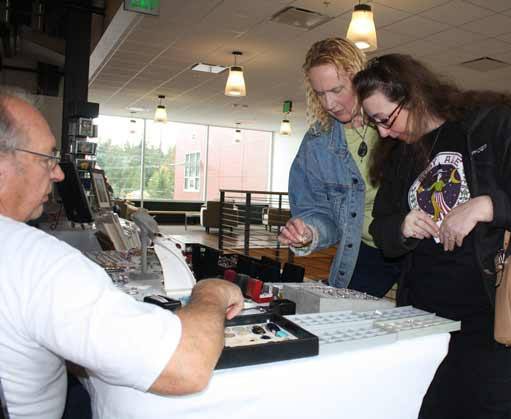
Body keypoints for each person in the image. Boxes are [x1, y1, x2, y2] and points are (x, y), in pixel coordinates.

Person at [0, 91, 244, 419]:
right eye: (46, 158)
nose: (58, 174)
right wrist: (211, 292)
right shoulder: (38, 261)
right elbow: (186, 365)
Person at [353, 54, 511, 419]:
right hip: (423, 318)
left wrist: (485, 206)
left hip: (496, 317)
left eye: (385, 119)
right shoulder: (399, 153)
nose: (384, 132)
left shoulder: (493, 126)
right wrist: (402, 226)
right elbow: (381, 228)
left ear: (414, 96)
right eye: (374, 124)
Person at [278, 38, 400, 298]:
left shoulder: (397, 124)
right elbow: (319, 212)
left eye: (336, 89)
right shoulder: (316, 144)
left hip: (414, 251)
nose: (329, 103)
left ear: (359, 79)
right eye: (320, 93)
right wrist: (310, 231)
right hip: (363, 253)